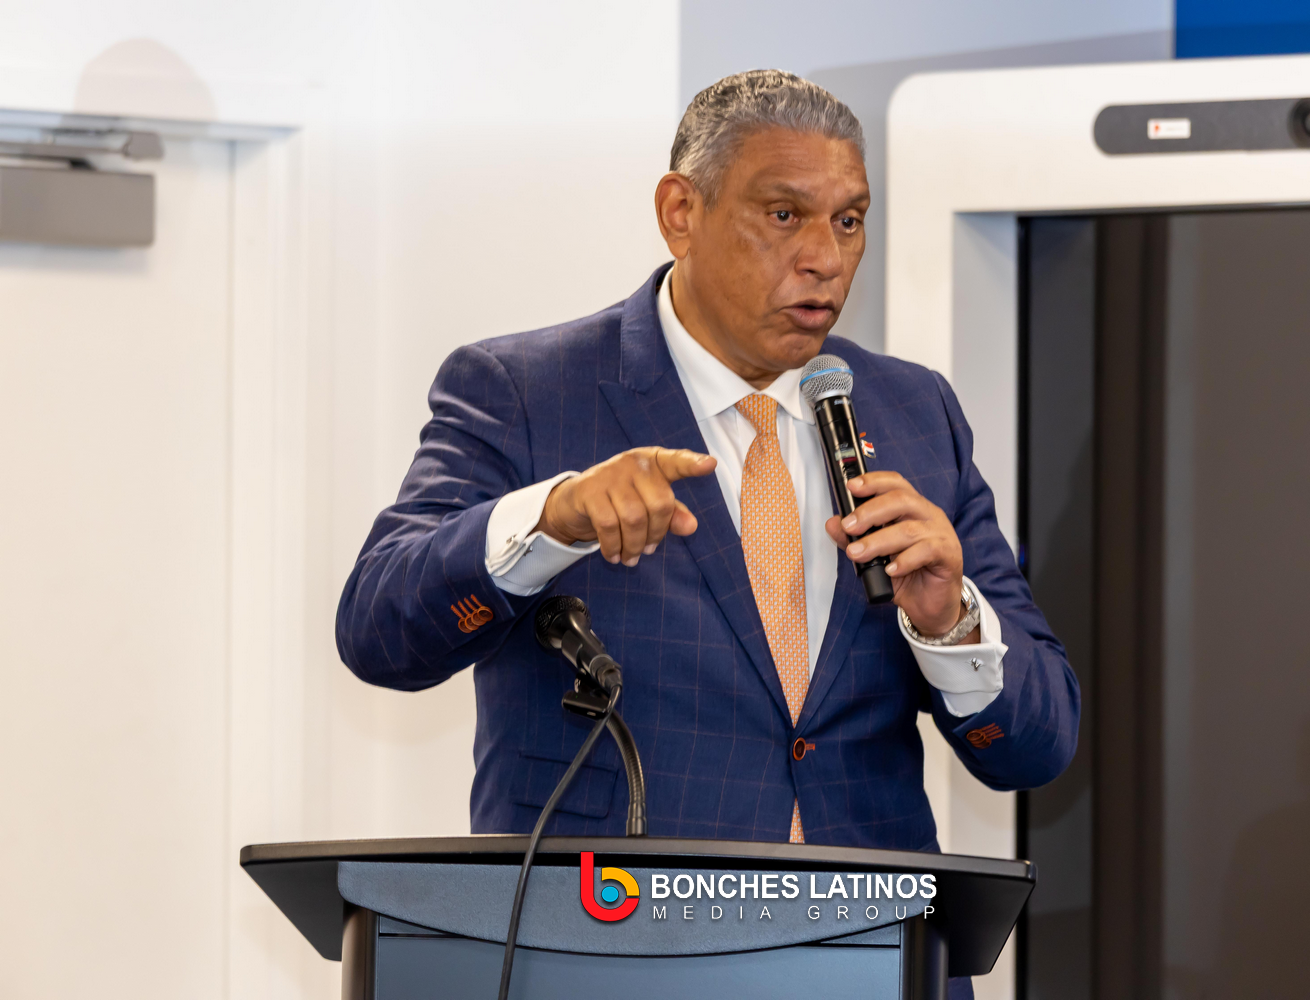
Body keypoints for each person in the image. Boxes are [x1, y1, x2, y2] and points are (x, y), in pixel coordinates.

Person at [337, 68, 1077, 855]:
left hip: (870, 925)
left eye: (849, 221)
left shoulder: (914, 412)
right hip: (616, 921)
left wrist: (950, 622)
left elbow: (1039, 749)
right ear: (681, 213)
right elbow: (380, 634)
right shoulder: (526, 392)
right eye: (784, 215)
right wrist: (549, 522)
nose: (825, 258)